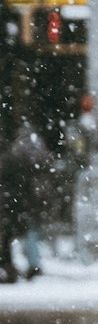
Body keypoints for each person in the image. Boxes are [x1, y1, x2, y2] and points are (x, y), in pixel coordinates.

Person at [0, 119, 56, 282]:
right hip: (24, 201)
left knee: (10, 238)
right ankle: (27, 265)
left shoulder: (13, 156)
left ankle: (12, 267)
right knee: (28, 233)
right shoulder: (24, 155)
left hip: (13, 203)